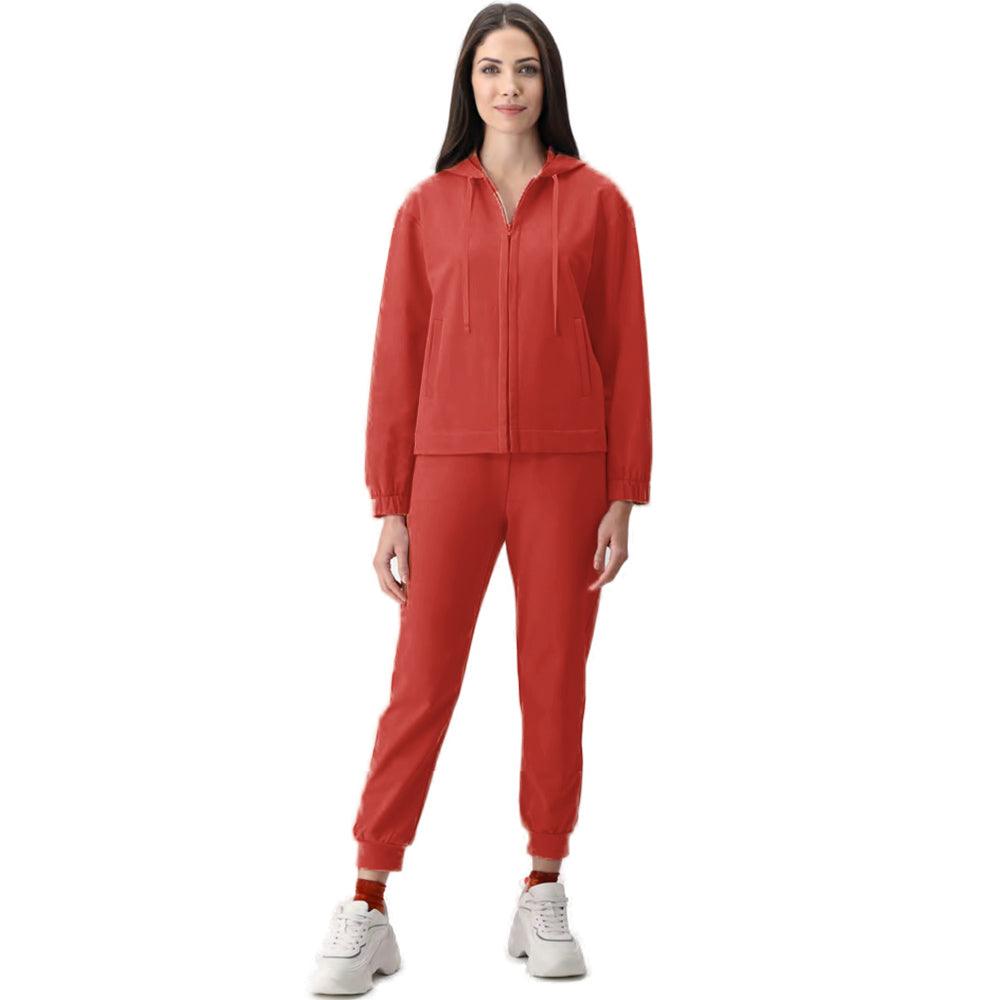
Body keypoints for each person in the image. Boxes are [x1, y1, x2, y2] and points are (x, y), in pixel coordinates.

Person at [310, 5, 652, 993]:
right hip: (447, 470)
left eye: (527, 69)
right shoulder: (424, 208)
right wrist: (390, 499)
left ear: (549, 84)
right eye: (492, 69)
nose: (510, 86)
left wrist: (623, 491)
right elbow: (396, 355)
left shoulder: (599, 204)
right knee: (421, 684)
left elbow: (625, 350)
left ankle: (543, 883)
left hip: (566, 472)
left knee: (553, 680)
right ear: (468, 83)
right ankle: (368, 900)